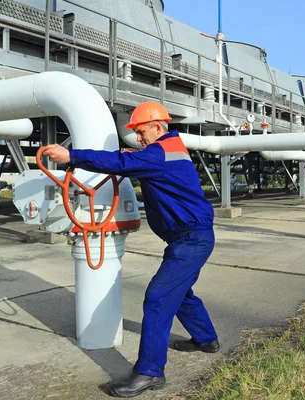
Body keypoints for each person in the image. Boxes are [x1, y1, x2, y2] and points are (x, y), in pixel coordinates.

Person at [43, 101, 219, 398]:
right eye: (137, 133)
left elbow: (120, 164)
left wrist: (71, 156)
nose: (139, 138)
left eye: (141, 132)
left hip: (191, 240)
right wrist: (134, 155)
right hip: (190, 238)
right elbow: (138, 161)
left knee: (158, 298)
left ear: (158, 127)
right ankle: (207, 340)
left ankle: (150, 372)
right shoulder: (168, 149)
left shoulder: (159, 153)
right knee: (180, 293)